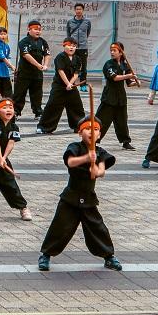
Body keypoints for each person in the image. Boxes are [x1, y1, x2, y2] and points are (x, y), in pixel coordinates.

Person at [37, 116, 122, 272]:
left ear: (100, 134)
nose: (92, 132)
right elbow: (70, 162)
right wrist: (86, 158)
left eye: (95, 129)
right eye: (87, 129)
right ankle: (46, 255)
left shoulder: (101, 153)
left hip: (89, 199)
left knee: (98, 228)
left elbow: (101, 171)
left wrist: (96, 170)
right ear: (80, 132)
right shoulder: (75, 147)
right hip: (70, 197)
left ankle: (109, 256)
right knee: (60, 227)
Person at [36, 38, 84, 134]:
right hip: (59, 86)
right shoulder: (60, 57)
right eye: (69, 45)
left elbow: (76, 73)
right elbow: (60, 71)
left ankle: (79, 126)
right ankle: (44, 127)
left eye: (74, 46)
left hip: (71, 86)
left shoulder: (77, 58)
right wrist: (67, 83)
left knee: (77, 106)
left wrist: (70, 84)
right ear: (64, 46)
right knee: (52, 106)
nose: (72, 47)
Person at [96, 42, 137, 150]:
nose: (112, 53)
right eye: (111, 50)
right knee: (101, 120)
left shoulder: (125, 64)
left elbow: (129, 82)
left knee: (122, 121)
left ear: (121, 52)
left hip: (120, 98)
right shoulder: (108, 64)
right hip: (109, 97)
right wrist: (128, 75)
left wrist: (135, 82)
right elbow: (114, 77)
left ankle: (125, 141)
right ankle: (93, 140)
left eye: (115, 51)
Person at [12, 21, 50, 118]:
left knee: (37, 94)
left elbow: (47, 54)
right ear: (29, 30)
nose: (38, 31)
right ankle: (16, 111)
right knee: (19, 93)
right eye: (35, 29)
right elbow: (26, 55)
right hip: (24, 73)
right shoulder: (24, 42)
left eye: (39, 30)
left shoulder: (43, 42)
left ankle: (38, 112)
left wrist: (45, 65)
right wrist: (38, 65)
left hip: (37, 74)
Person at [66, 3, 92, 90]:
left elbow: (87, 33)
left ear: (83, 10)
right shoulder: (70, 22)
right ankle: (71, 83)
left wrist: (82, 41)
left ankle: (83, 85)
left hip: (83, 47)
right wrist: (71, 45)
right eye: (77, 9)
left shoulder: (87, 22)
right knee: (71, 66)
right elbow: (68, 35)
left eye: (80, 9)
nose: (78, 11)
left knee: (83, 67)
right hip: (72, 48)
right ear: (74, 10)